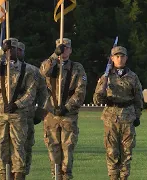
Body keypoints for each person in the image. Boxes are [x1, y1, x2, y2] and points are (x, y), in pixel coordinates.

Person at [0, 38, 38, 180]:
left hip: (18, 114)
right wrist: (1, 51)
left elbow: (31, 93)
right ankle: (4, 175)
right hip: (0, 114)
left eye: (13, 49)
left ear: (17, 50)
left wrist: (17, 104)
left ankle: (19, 175)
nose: (10, 52)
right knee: (1, 146)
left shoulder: (27, 70)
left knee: (18, 147)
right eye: (8, 49)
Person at [40, 38, 87, 180]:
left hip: (68, 115)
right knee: (53, 149)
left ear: (70, 50)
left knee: (67, 150)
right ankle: (55, 176)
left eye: (66, 47)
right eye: (61, 47)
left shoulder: (77, 68)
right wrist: (55, 55)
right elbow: (42, 73)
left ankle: (66, 176)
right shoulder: (50, 64)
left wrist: (67, 107)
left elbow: (80, 91)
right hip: (51, 114)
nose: (63, 50)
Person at [93, 46, 143, 180]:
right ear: (112, 59)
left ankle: (124, 177)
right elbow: (97, 100)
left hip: (128, 117)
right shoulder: (106, 76)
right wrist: (102, 86)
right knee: (112, 152)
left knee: (127, 152)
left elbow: (138, 98)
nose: (119, 59)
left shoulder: (132, 76)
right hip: (111, 118)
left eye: (122, 56)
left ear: (126, 58)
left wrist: (137, 116)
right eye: (117, 56)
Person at [17, 41, 48, 177]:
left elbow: (43, 92)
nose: (17, 53)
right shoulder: (2, 69)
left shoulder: (32, 71)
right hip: (6, 117)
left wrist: (39, 113)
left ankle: (22, 174)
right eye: (14, 50)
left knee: (26, 147)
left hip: (27, 116)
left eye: (20, 50)